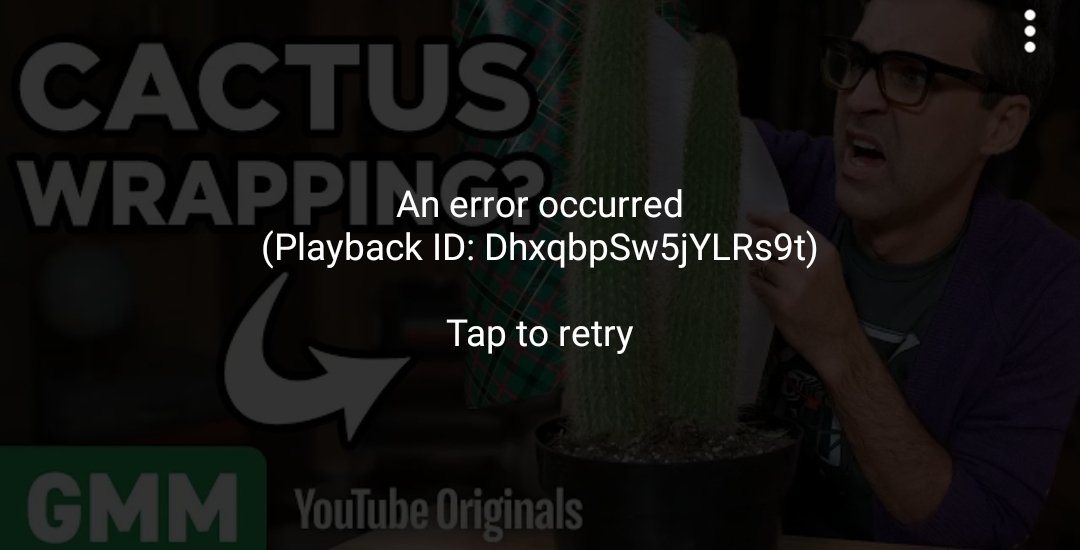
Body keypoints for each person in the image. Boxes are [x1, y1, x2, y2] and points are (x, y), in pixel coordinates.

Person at [746, 0, 1080, 548]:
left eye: (911, 76)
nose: (859, 99)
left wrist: (839, 344)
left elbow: (985, 531)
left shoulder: (1043, 283)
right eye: (857, 62)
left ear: (1001, 125)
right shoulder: (787, 177)